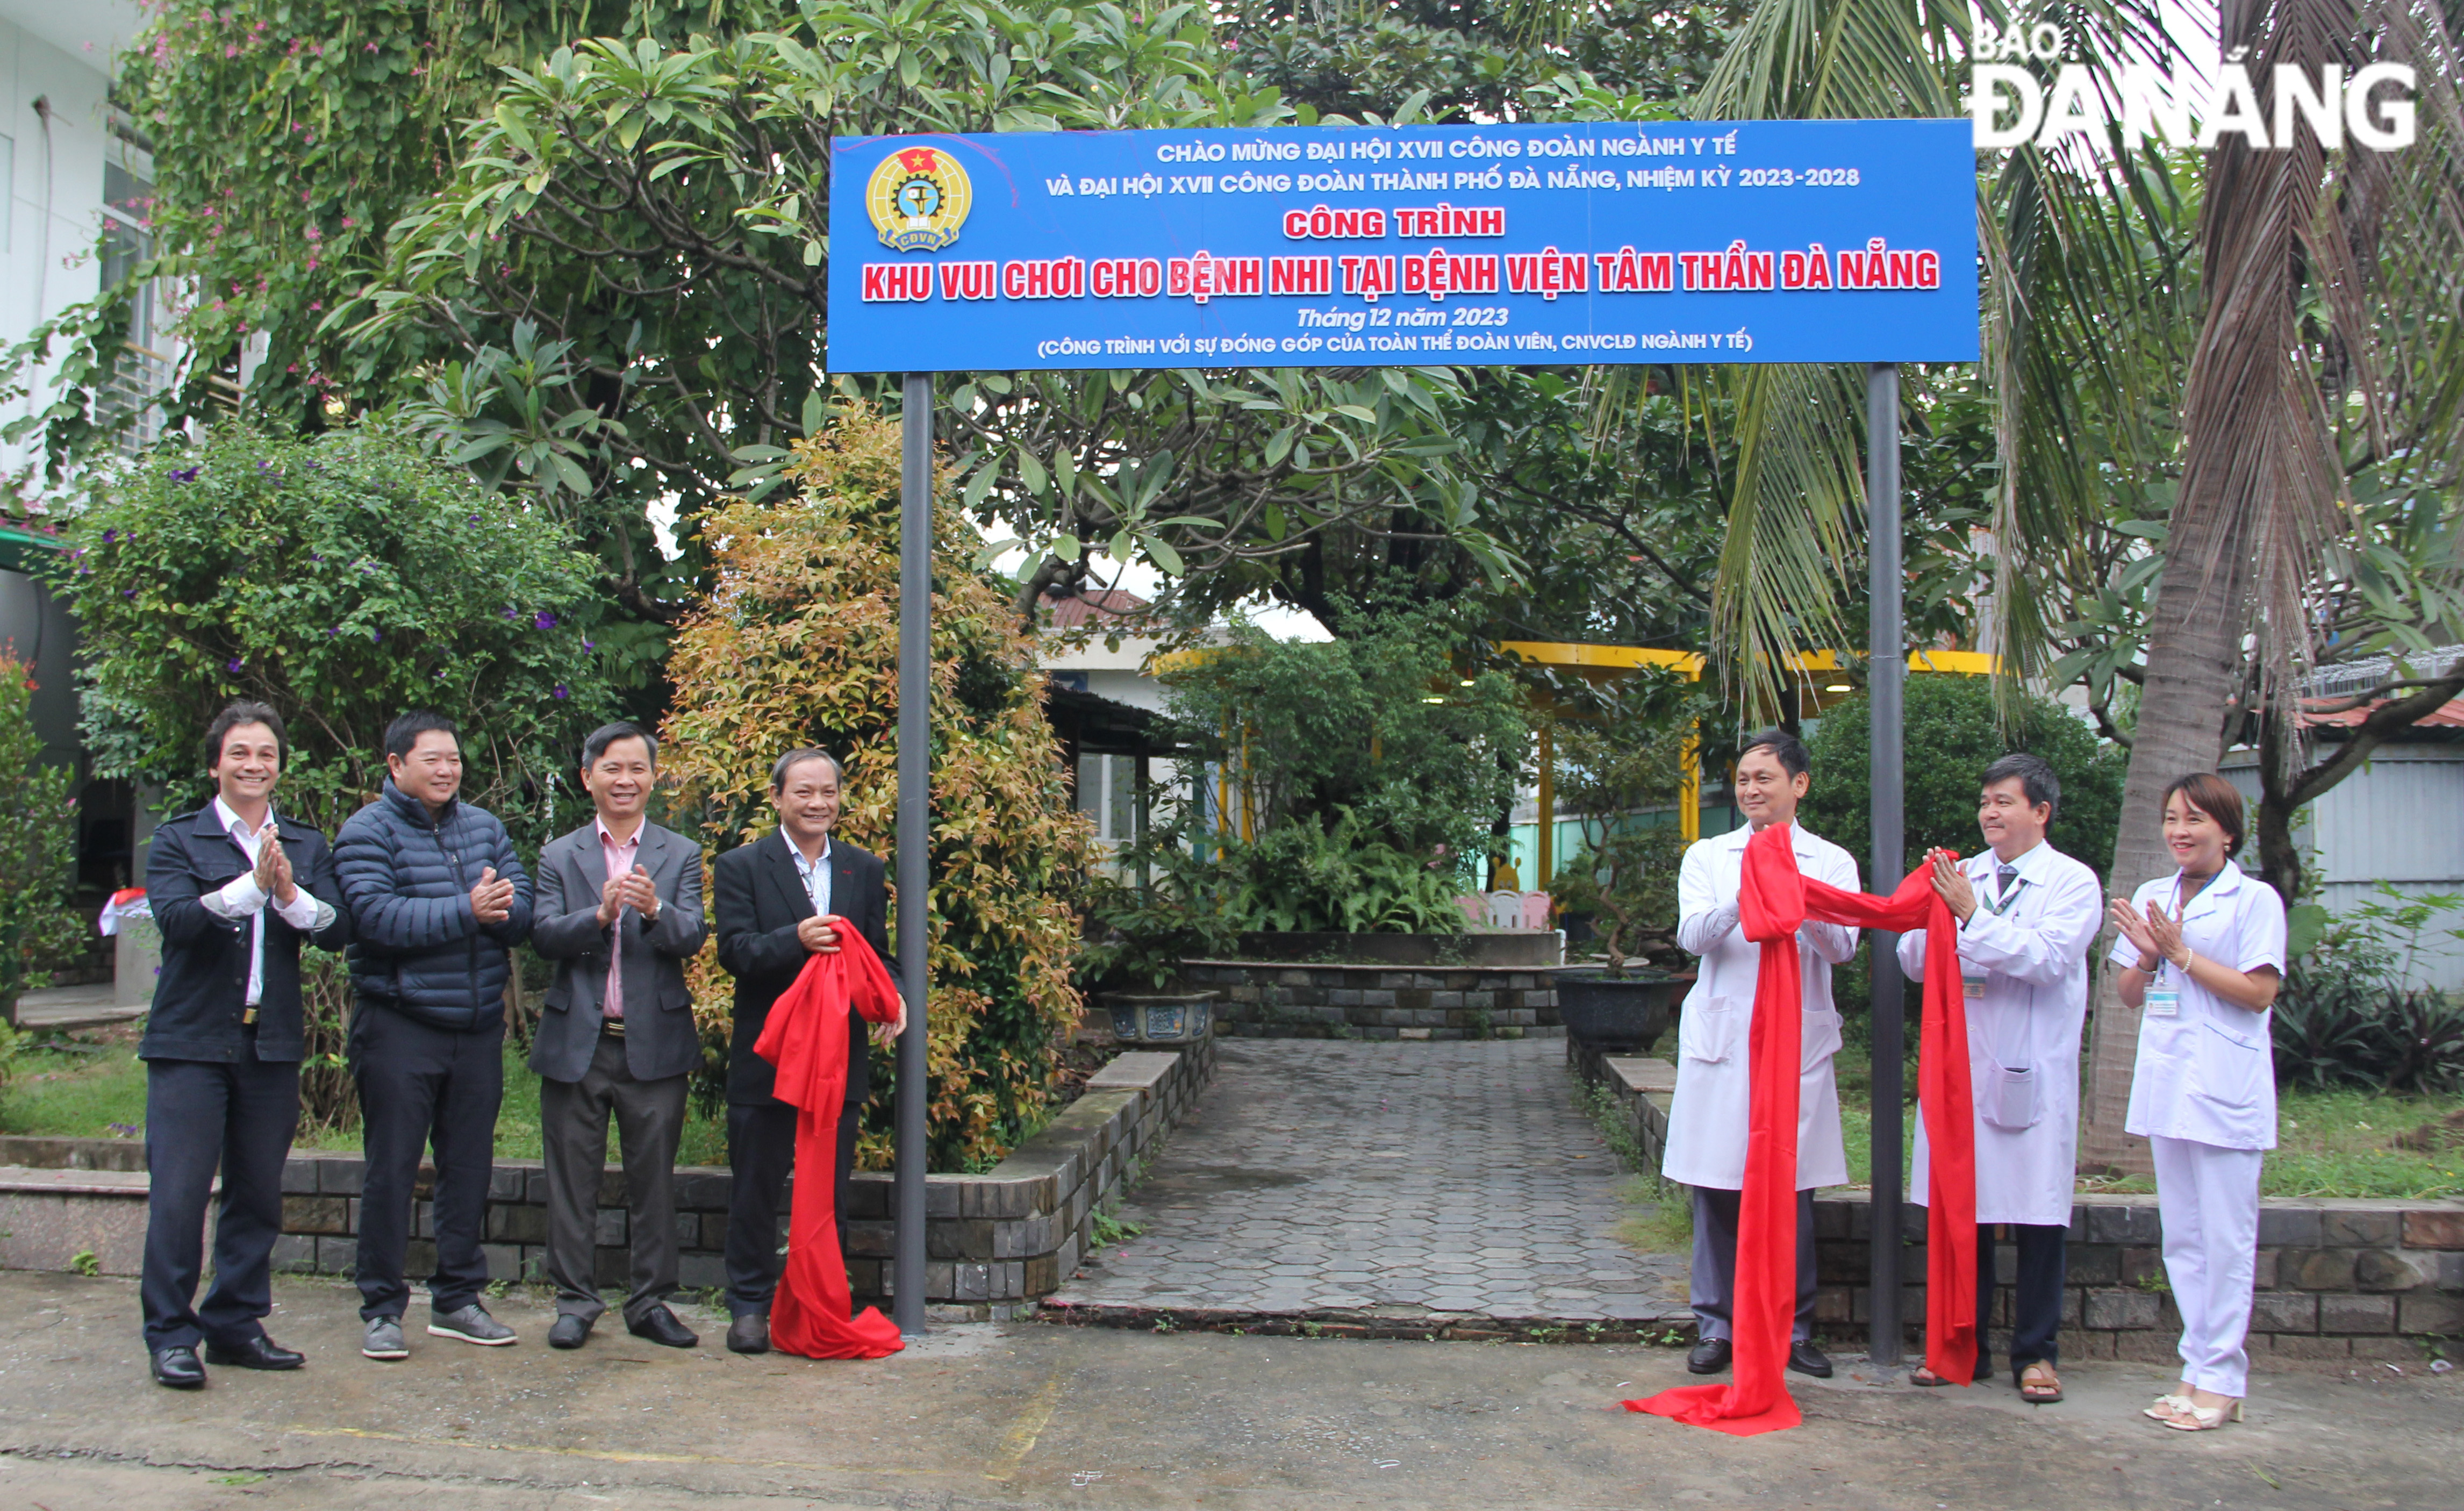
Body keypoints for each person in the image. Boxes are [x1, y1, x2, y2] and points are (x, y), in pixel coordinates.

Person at [137, 703, 349, 1388]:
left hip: (271, 1043)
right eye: (239, 753)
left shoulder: (305, 844)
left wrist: (285, 892)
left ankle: (235, 1323)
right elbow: (175, 921)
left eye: (266, 754)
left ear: (280, 765)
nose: (253, 765)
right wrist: (248, 888)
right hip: (191, 1043)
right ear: (215, 764)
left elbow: (333, 927)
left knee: (257, 1194)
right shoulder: (180, 839)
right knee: (179, 1194)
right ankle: (171, 1335)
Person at [1896, 753, 2101, 1402]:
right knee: (1967, 1213)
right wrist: (1934, 913)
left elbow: (2044, 959)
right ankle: (1964, 1348)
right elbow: (1914, 962)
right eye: (1986, 800)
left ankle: (2036, 1354)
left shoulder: (2073, 883)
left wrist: (1970, 917)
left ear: (2040, 812)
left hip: (2031, 1071)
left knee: (2039, 1216)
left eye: (2005, 801)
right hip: (1961, 1073)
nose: (1990, 812)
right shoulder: (1963, 875)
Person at [334, 710, 534, 1362]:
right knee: (391, 1171)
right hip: (399, 1025)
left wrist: (503, 912)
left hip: (476, 1026)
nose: (447, 770)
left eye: (454, 759)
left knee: (468, 1169)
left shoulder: (485, 827)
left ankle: (457, 1298)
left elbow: (521, 904)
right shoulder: (366, 831)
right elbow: (373, 916)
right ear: (396, 765)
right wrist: (468, 910)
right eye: (432, 760)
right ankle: (382, 1308)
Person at [1662, 728, 1859, 1380]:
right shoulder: (1710, 856)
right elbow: (1693, 937)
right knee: (1717, 1187)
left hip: (1794, 1046)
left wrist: (1793, 895)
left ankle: (1793, 1328)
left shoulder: (1829, 860)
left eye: (1764, 779)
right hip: (1726, 1039)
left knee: (1792, 1191)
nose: (1751, 790)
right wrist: (1746, 894)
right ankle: (1717, 1325)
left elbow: (1844, 947)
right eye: (1744, 779)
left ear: (1798, 785)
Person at [711, 748, 905, 1356]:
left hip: (837, 1055)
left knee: (827, 1190)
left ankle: (824, 1301)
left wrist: (895, 998)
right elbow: (735, 953)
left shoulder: (863, 869)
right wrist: (794, 940)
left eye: (828, 792)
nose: (818, 803)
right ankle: (749, 1304)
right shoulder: (742, 865)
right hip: (768, 1052)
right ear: (776, 798)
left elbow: (878, 953)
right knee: (756, 1187)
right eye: (804, 792)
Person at [2107, 772, 2283, 1433]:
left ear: (2228, 830)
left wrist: (2181, 955)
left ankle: (2224, 1379)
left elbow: (2259, 991)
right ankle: (2194, 1368)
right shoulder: (2155, 894)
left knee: (2226, 1238)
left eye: (2196, 820)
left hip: (2225, 1087)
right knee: (2183, 1237)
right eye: (2173, 819)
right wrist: (2152, 958)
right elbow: (2128, 992)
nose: (2180, 832)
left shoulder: (2254, 900)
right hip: (2168, 1081)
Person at [528, 722, 710, 1351]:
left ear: (654, 778)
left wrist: (655, 911)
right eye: (612, 768)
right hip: (577, 1039)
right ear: (588, 777)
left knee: (652, 1178)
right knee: (571, 1179)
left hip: (653, 1041)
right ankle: (576, 1301)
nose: (625, 780)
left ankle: (651, 1301)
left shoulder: (680, 853)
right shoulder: (560, 855)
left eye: (637, 769)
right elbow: (542, 935)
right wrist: (600, 915)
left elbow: (693, 937)